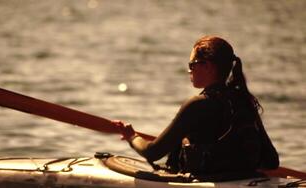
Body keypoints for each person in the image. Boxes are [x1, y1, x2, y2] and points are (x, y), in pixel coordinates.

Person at [115, 36, 279, 175]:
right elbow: (272, 161)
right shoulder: (243, 101)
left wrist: (132, 136)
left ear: (207, 66)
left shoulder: (198, 105)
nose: (189, 71)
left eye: (192, 65)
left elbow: (152, 152)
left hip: (208, 184)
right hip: (244, 180)